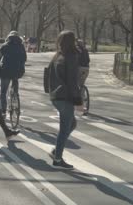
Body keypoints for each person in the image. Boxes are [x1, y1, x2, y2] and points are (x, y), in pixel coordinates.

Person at [48, 30, 84, 170]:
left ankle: (56, 151)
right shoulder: (71, 57)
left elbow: (48, 76)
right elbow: (72, 81)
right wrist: (78, 101)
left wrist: (51, 92)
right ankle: (57, 158)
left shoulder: (57, 56)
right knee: (65, 128)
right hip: (65, 96)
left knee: (71, 124)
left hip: (56, 95)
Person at [0, 31, 27, 117]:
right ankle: (16, 98)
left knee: (3, 91)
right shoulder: (21, 46)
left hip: (5, 71)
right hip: (18, 72)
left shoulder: (4, 46)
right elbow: (24, 58)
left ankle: (3, 111)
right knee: (15, 83)